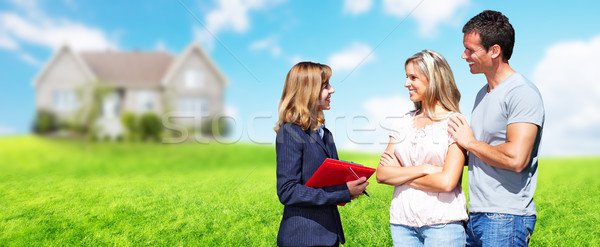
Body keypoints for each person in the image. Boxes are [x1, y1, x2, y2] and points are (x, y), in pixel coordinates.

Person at [448, 10, 545, 247]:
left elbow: (516, 158)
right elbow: (484, 152)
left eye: (471, 50)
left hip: (506, 216)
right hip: (477, 215)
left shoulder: (521, 93)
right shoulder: (483, 94)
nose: (464, 55)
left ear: (494, 51)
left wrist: (469, 142)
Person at [376, 49, 468, 247]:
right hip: (401, 224)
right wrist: (425, 169)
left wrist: (400, 174)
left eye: (413, 77)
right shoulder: (403, 122)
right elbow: (382, 174)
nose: (406, 83)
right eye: (406, 77)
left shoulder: (455, 123)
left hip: (443, 225)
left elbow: (446, 182)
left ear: (433, 79)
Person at [275, 61, 369, 247]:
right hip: (303, 238)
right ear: (308, 90)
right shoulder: (290, 132)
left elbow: (327, 178)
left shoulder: (325, 134)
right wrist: (344, 192)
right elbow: (287, 191)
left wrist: (351, 178)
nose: (332, 90)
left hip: (328, 235)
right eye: (325, 86)